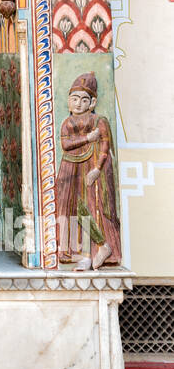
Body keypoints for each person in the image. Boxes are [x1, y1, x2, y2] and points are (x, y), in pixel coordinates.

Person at [54, 73, 121, 270]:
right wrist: (87, 139)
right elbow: (66, 145)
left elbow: (105, 146)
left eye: (84, 100)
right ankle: (78, 252)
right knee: (70, 209)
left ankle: (98, 250)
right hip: (70, 167)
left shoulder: (98, 120)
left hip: (91, 167)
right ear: (68, 101)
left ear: (92, 102)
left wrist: (97, 170)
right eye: (74, 99)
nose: (78, 104)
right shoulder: (67, 122)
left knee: (92, 207)